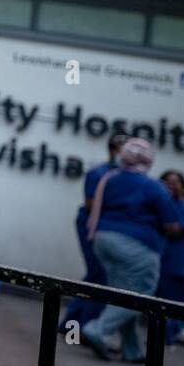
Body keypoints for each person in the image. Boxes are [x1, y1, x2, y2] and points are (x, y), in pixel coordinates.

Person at [79, 138, 183, 363]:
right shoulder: (153, 186)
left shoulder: (109, 178)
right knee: (141, 294)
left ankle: (132, 349)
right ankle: (98, 329)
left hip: (103, 239)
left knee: (125, 294)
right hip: (137, 245)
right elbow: (172, 224)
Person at [61, 133, 126, 330]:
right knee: (98, 275)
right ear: (113, 149)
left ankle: (71, 324)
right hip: (91, 225)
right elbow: (91, 205)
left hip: (105, 227)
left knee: (96, 276)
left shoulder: (124, 175)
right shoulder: (99, 173)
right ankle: (82, 325)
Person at [155, 170, 184, 344]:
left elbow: (178, 230)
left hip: (177, 263)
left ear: (183, 185)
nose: (171, 186)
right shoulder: (170, 204)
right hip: (168, 261)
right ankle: (163, 337)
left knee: (171, 302)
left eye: (175, 182)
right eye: (166, 182)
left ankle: (167, 338)